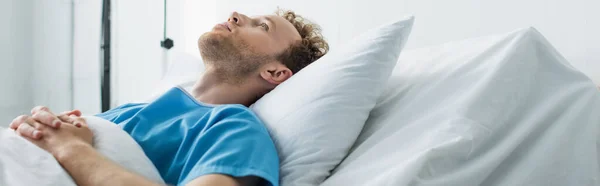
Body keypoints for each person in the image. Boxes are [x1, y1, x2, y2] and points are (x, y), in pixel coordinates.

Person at [8, 9, 329, 186]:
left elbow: (69, 149)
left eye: (262, 26)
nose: (235, 15)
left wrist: (71, 147)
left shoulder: (236, 130)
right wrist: (35, 131)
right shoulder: (134, 110)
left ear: (275, 73)